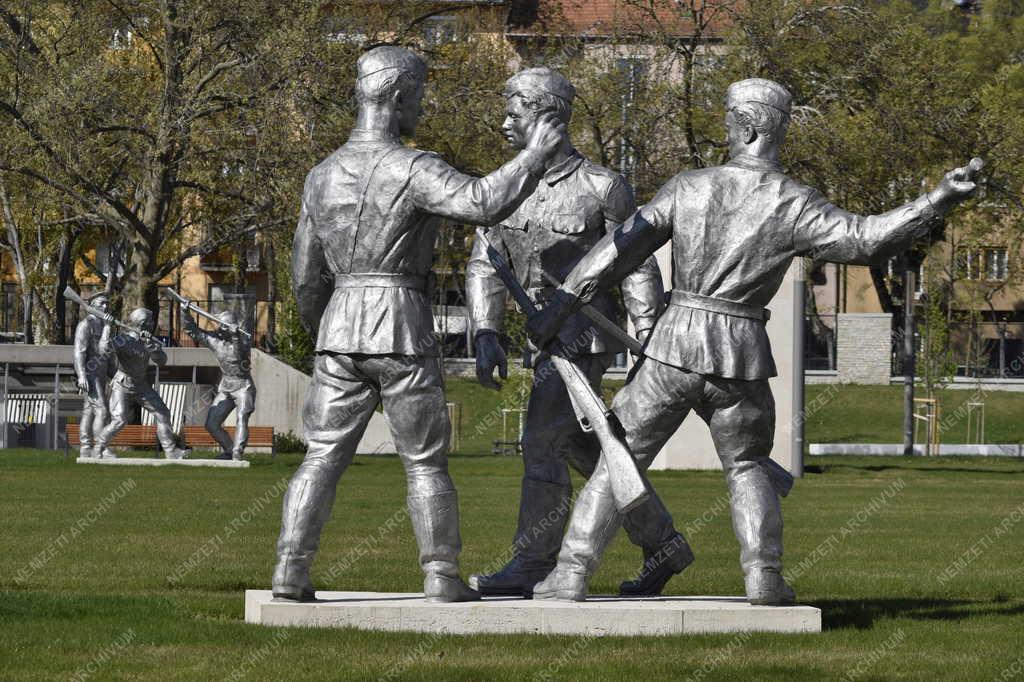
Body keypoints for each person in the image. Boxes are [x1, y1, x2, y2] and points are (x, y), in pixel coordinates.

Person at [527, 78, 980, 605]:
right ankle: (763, 577)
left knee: (618, 459)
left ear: (745, 126)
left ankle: (571, 574)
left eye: (727, 121)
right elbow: (867, 240)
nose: (724, 129)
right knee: (746, 469)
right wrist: (939, 198)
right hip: (739, 355)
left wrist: (560, 306)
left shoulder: (689, 187)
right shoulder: (795, 202)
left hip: (673, 348)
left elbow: (617, 250)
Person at [274, 46, 566, 603]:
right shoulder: (413, 167)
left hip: (339, 329)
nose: (422, 109)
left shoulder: (321, 175)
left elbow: (305, 276)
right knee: (426, 462)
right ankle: (440, 573)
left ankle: (291, 567)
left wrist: (326, 333)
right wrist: (534, 156)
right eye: (420, 97)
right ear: (399, 95)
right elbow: (481, 202)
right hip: (400, 327)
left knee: (321, 457)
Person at [465, 67, 691, 598]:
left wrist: (647, 331)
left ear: (546, 118)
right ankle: (662, 542)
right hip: (537, 341)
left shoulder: (603, 187)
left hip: (582, 339)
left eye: (513, 114)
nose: (503, 124)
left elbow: (635, 262)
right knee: (587, 453)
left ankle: (532, 562)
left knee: (541, 443)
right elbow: (484, 260)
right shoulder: (506, 186)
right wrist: (484, 330)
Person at [94, 308, 189, 460]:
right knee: (119, 420)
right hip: (122, 383)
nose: (153, 324)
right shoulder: (123, 340)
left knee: (162, 413)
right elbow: (103, 350)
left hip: (141, 384)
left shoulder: (148, 340)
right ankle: (98, 448)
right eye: (151, 321)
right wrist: (107, 327)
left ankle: (171, 451)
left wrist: (150, 344)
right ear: (144, 324)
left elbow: (161, 361)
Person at [180, 303, 255, 461]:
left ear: (233, 326)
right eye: (220, 325)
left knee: (242, 417)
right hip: (226, 387)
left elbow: (241, 358)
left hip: (243, 386)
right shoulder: (215, 341)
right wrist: (185, 312)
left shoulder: (243, 340)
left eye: (225, 326)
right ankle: (229, 449)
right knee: (211, 424)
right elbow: (192, 331)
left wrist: (235, 336)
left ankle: (237, 453)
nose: (221, 329)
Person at [72, 292, 114, 458]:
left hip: (102, 373)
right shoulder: (85, 325)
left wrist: (113, 373)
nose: (106, 307)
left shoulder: (104, 324)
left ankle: (85, 446)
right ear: (93, 305)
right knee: (102, 411)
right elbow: (78, 353)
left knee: (89, 411)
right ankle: (101, 447)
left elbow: (106, 353)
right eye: (102, 303)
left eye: (107, 304)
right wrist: (81, 375)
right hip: (90, 374)